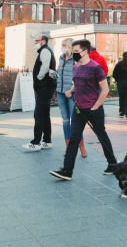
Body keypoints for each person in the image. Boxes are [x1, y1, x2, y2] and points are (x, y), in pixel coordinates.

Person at [50, 39, 118, 180]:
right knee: (74, 138)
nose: (74, 54)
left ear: (85, 52)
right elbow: (79, 84)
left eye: (76, 52)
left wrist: (96, 106)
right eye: (73, 51)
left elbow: (105, 89)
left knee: (101, 136)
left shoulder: (95, 68)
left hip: (93, 110)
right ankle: (67, 171)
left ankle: (112, 164)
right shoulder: (75, 67)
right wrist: (71, 91)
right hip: (79, 109)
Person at [23, 34, 56, 151]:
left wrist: (38, 78)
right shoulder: (48, 51)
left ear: (43, 41)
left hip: (44, 87)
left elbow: (45, 67)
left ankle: (36, 142)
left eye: (37, 41)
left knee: (39, 114)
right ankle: (47, 140)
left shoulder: (45, 51)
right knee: (45, 115)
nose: (35, 43)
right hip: (47, 86)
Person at [56, 38, 86, 158]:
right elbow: (60, 74)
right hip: (60, 93)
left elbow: (80, 76)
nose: (62, 47)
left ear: (69, 46)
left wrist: (73, 88)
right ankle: (68, 148)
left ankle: (82, 147)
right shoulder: (61, 58)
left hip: (72, 94)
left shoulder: (76, 59)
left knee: (75, 122)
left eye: (64, 45)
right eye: (61, 45)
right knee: (65, 121)